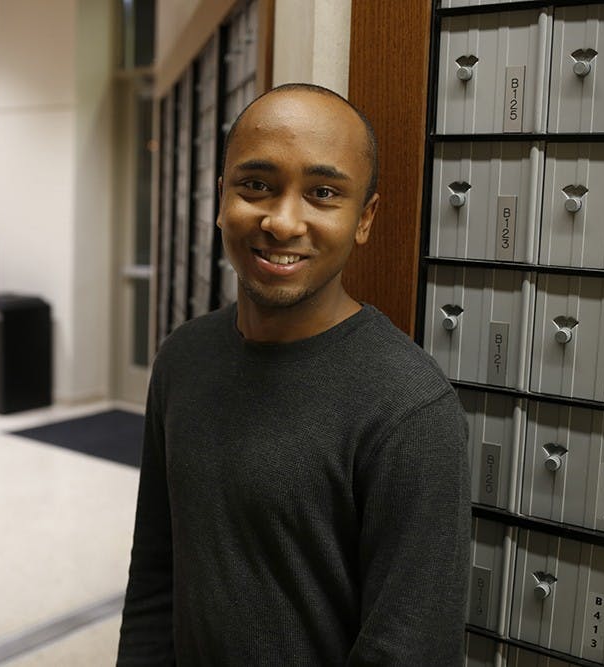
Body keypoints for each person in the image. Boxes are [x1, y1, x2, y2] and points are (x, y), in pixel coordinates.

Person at [117, 83, 470, 666]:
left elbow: (408, 650)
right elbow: (155, 575)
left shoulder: (409, 409)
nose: (282, 222)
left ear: (364, 218)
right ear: (221, 197)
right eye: (255, 186)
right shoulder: (183, 359)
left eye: (323, 193)